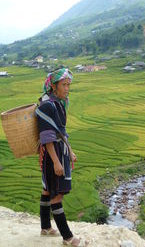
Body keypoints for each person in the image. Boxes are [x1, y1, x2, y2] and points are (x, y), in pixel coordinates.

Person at [36, 67, 87, 246]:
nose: (67, 88)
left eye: (68, 85)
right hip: (52, 154)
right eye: (64, 85)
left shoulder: (58, 103)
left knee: (47, 189)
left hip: (60, 150)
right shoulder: (48, 105)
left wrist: (70, 151)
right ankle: (68, 238)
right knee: (57, 194)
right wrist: (57, 162)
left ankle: (45, 227)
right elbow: (47, 137)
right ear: (54, 86)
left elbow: (61, 132)